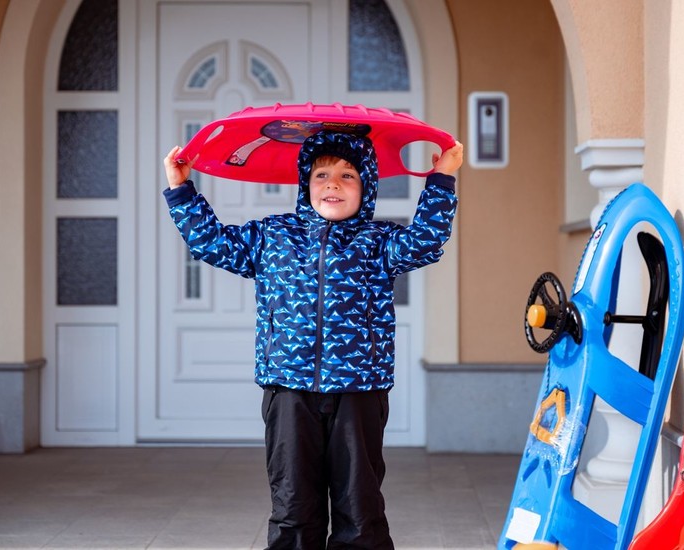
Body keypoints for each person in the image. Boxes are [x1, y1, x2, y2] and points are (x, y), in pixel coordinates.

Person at [163, 130, 462, 549]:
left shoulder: (379, 243)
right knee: (293, 507)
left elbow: (426, 242)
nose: (333, 184)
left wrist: (442, 178)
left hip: (358, 391)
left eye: (347, 175)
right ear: (306, 185)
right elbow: (212, 242)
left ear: (368, 187)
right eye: (321, 175)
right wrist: (181, 190)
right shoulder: (272, 236)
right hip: (289, 390)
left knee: (360, 507)